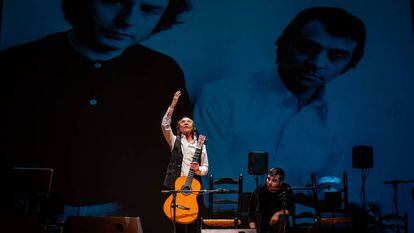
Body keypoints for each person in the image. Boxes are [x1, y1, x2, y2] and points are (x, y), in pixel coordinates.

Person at [0, 0, 192, 232]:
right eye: (114, 2)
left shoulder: (163, 71)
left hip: (129, 219)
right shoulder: (15, 64)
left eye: (149, 9)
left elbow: (178, 158)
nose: (128, 20)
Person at [193, 7, 366, 190]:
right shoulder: (220, 98)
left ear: (349, 64)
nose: (317, 64)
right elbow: (218, 192)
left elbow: (329, 181)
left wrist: (343, 201)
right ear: (285, 45)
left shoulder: (339, 117)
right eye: (308, 48)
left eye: (337, 56)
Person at [161, 91, 209, 233]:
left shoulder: (201, 145)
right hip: (178, 186)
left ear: (193, 127)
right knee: (179, 226)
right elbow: (165, 125)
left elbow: (206, 167)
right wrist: (173, 105)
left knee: (194, 225)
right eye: (183, 121)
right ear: (179, 127)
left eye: (189, 121)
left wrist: (198, 169)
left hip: (193, 187)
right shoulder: (175, 140)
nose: (186, 122)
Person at [248, 168, 294, 233]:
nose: (269, 182)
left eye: (274, 180)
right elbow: (251, 214)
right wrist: (253, 230)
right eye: (268, 179)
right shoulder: (259, 191)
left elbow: (291, 209)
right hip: (261, 225)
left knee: (283, 219)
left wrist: (277, 214)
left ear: (280, 183)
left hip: (279, 225)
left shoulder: (286, 189)